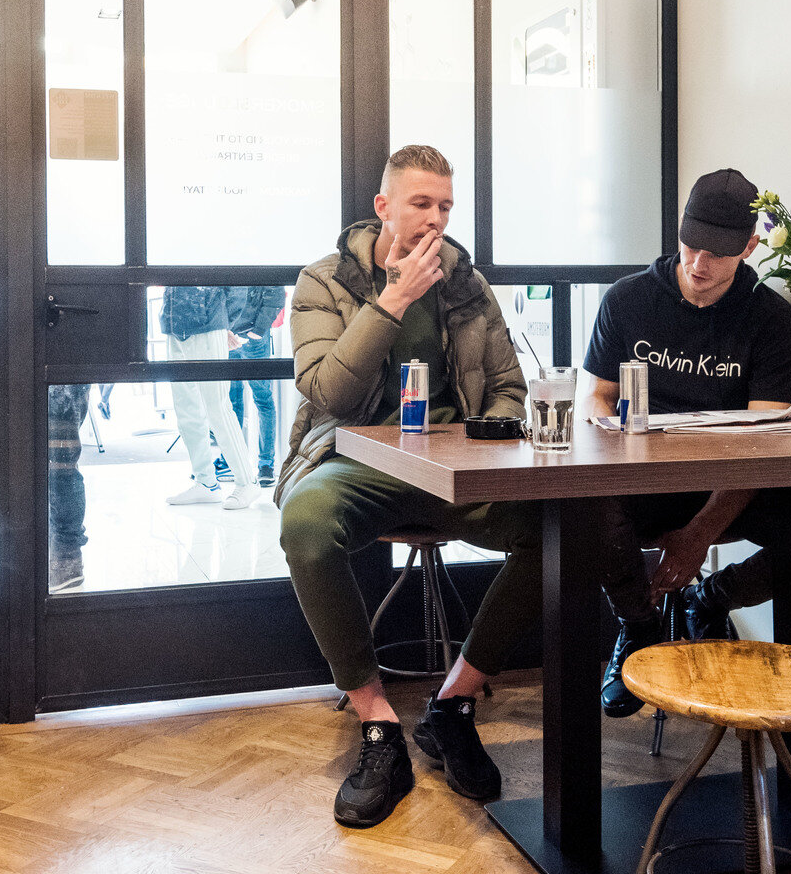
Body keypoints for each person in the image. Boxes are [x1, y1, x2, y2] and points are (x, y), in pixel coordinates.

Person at [277, 144, 538, 828]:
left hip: (456, 466)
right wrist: (392, 299)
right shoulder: (325, 280)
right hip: (356, 457)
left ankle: (453, 704)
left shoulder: (466, 284)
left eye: (445, 207)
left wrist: (491, 437)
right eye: (421, 204)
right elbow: (326, 389)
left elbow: (509, 388)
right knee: (306, 525)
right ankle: (378, 722)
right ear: (383, 206)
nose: (434, 221)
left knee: (563, 527)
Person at [583, 168, 791, 718]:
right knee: (582, 505)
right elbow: (596, 399)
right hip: (641, 482)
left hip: (729, 488)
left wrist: (699, 536)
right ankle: (638, 625)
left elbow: (759, 444)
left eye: (717, 254)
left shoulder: (769, 318)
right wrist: (616, 450)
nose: (698, 266)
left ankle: (712, 598)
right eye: (690, 246)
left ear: (748, 246)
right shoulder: (628, 300)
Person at [160, 286, 263, 509]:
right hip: (174, 325)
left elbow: (235, 285)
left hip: (208, 323)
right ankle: (205, 481)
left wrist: (225, 324)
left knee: (218, 407)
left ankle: (247, 481)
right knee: (186, 410)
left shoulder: (212, 250)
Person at [227, 285, 288, 486]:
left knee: (262, 399)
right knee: (230, 402)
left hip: (253, 338)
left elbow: (276, 294)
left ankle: (265, 465)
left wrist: (259, 330)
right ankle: (234, 462)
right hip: (228, 337)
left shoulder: (258, 254)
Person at [48, 383, 92, 593]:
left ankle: (67, 561)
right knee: (57, 463)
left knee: (60, 465)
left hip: (62, 373)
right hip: (63, 372)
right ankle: (63, 557)